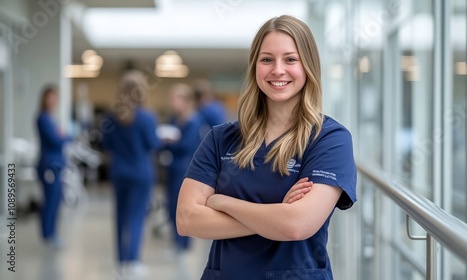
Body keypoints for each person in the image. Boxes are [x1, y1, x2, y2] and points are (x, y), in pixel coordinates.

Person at [177, 15, 357, 280]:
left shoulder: (329, 139)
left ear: (308, 66)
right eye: (267, 59)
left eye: (290, 59)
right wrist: (277, 214)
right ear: (255, 67)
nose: (278, 70)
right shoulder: (221, 139)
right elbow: (187, 219)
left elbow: (296, 225)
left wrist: (222, 202)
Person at [101, 70, 161, 277]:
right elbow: (153, 143)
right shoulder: (146, 117)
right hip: (140, 173)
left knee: (119, 217)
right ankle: (133, 261)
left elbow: (105, 144)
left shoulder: (111, 116)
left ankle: (120, 263)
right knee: (137, 217)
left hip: (119, 172)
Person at [162, 83, 202, 262]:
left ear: (185, 101)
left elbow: (187, 145)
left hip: (184, 169)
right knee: (170, 205)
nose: (172, 102)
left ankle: (184, 244)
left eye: (175, 99)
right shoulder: (173, 120)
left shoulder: (193, 121)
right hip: (171, 167)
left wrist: (171, 142)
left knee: (182, 205)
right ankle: (176, 242)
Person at [35, 85, 72, 248]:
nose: (53, 100)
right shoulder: (43, 118)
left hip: (56, 165)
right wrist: (65, 136)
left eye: (55, 97)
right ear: (44, 98)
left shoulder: (51, 118)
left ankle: (52, 233)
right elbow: (56, 140)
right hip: (49, 165)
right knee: (50, 200)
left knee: (56, 199)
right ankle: (47, 235)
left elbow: (61, 137)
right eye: (50, 97)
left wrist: (63, 136)